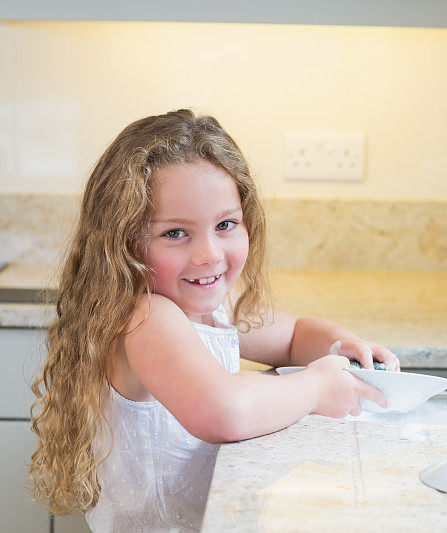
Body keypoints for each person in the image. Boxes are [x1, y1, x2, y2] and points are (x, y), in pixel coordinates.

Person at [28, 109, 399, 532]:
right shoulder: (147, 318)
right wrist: (316, 387)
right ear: (123, 242)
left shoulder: (211, 309)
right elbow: (224, 411)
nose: (209, 254)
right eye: (175, 233)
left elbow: (296, 335)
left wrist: (342, 346)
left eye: (225, 224)